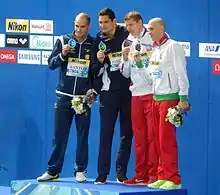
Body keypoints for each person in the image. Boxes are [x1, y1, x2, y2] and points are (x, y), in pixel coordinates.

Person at [37, 13, 96, 183]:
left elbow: (96, 71)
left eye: (82, 26)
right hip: (63, 96)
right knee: (59, 136)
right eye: (76, 26)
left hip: (83, 98)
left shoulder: (93, 44)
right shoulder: (63, 40)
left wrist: (92, 92)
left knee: (82, 136)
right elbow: (51, 63)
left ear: (89, 27)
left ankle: (81, 170)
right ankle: (53, 170)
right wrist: (62, 55)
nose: (78, 30)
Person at [147, 17, 190, 190]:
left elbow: (181, 73)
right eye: (148, 29)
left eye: (151, 29)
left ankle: (174, 178)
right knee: (157, 140)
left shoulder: (174, 46)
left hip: (170, 98)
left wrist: (183, 98)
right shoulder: (155, 49)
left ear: (161, 28)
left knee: (166, 140)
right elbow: (153, 74)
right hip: (156, 98)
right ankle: (162, 174)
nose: (148, 32)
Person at [91, 8, 133, 184]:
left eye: (106, 22)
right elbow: (92, 70)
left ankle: (121, 173)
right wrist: (100, 62)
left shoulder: (127, 35)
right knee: (105, 134)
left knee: (127, 134)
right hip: (108, 94)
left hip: (128, 92)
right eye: (100, 22)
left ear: (114, 22)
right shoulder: (97, 41)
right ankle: (102, 174)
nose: (103, 26)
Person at [120, 11, 158, 186]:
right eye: (127, 26)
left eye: (132, 25)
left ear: (140, 23)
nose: (129, 29)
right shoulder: (126, 42)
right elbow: (125, 73)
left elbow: (158, 68)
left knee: (152, 137)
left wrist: (141, 63)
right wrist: (124, 59)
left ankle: (154, 175)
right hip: (135, 94)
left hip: (152, 93)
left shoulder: (152, 40)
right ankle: (140, 174)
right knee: (140, 138)